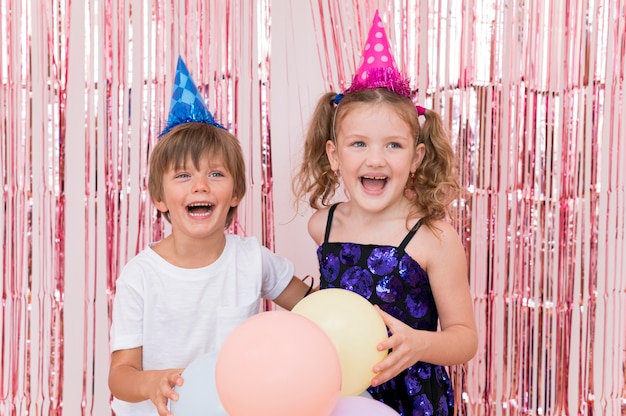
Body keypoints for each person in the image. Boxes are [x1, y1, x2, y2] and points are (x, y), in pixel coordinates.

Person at [292, 10, 477, 415]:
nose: (376, 159)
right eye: (359, 144)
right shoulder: (322, 225)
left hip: (412, 398)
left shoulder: (433, 236)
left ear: (416, 157)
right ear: (334, 155)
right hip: (339, 394)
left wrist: (420, 344)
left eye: (393, 145)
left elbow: (465, 338)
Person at [108, 57, 312, 416]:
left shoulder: (251, 258)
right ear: (159, 198)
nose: (200, 185)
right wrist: (150, 382)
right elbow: (120, 375)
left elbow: (313, 307)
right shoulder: (140, 276)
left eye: (216, 174)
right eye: (183, 176)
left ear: (235, 194)